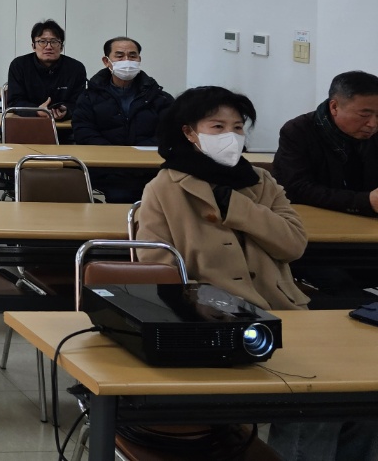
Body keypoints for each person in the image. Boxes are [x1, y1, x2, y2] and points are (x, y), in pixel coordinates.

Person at [137, 87, 378, 461]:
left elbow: (293, 245)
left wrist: (238, 207)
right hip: (215, 323)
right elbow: (157, 270)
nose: (230, 136)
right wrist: (210, 305)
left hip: (286, 314)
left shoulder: (261, 183)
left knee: (363, 397)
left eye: (238, 127)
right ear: (189, 132)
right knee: (314, 407)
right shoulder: (164, 189)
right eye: (217, 127)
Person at [72, 36, 174, 202]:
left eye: (132, 56)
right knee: (121, 195)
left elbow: (170, 131)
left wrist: (136, 154)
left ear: (139, 60)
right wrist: (115, 155)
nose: (127, 60)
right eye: (119, 56)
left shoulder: (159, 97)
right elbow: (83, 131)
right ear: (106, 61)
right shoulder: (89, 97)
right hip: (107, 168)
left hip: (150, 167)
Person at [273, 70, 378, 217]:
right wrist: (365, 201)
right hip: (315, 219)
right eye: (364, 115)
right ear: (334, 107)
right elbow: (296, 189)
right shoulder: (298, 131)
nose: (373, 124)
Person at [3, 19, 87, 120]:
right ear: (33, 46)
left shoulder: (76, 68)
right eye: (42, 41)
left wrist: (67, 111)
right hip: (28, 122)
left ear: (61, 47)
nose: (48, 47)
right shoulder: (19, 65)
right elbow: (15, 101)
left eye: (54, 41)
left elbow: (80, 102)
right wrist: (37, 111)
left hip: (65, 124)